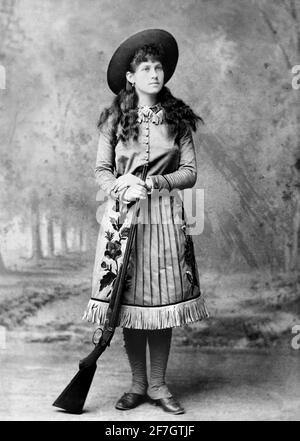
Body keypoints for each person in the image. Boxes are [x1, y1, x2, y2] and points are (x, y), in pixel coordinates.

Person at [82, 29, 209, 415]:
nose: (155, 74)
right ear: (131, 78)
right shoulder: (114, 121)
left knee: (160, 304)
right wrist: (120, 186)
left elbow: (190, 172)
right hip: (122, 222)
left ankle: (158, 385)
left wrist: (153, 182)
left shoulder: (178, 120)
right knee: (129, 302)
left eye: (159, 67)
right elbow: (101, 171)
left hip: (167, 219)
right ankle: (137, 385)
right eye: (146, 69)